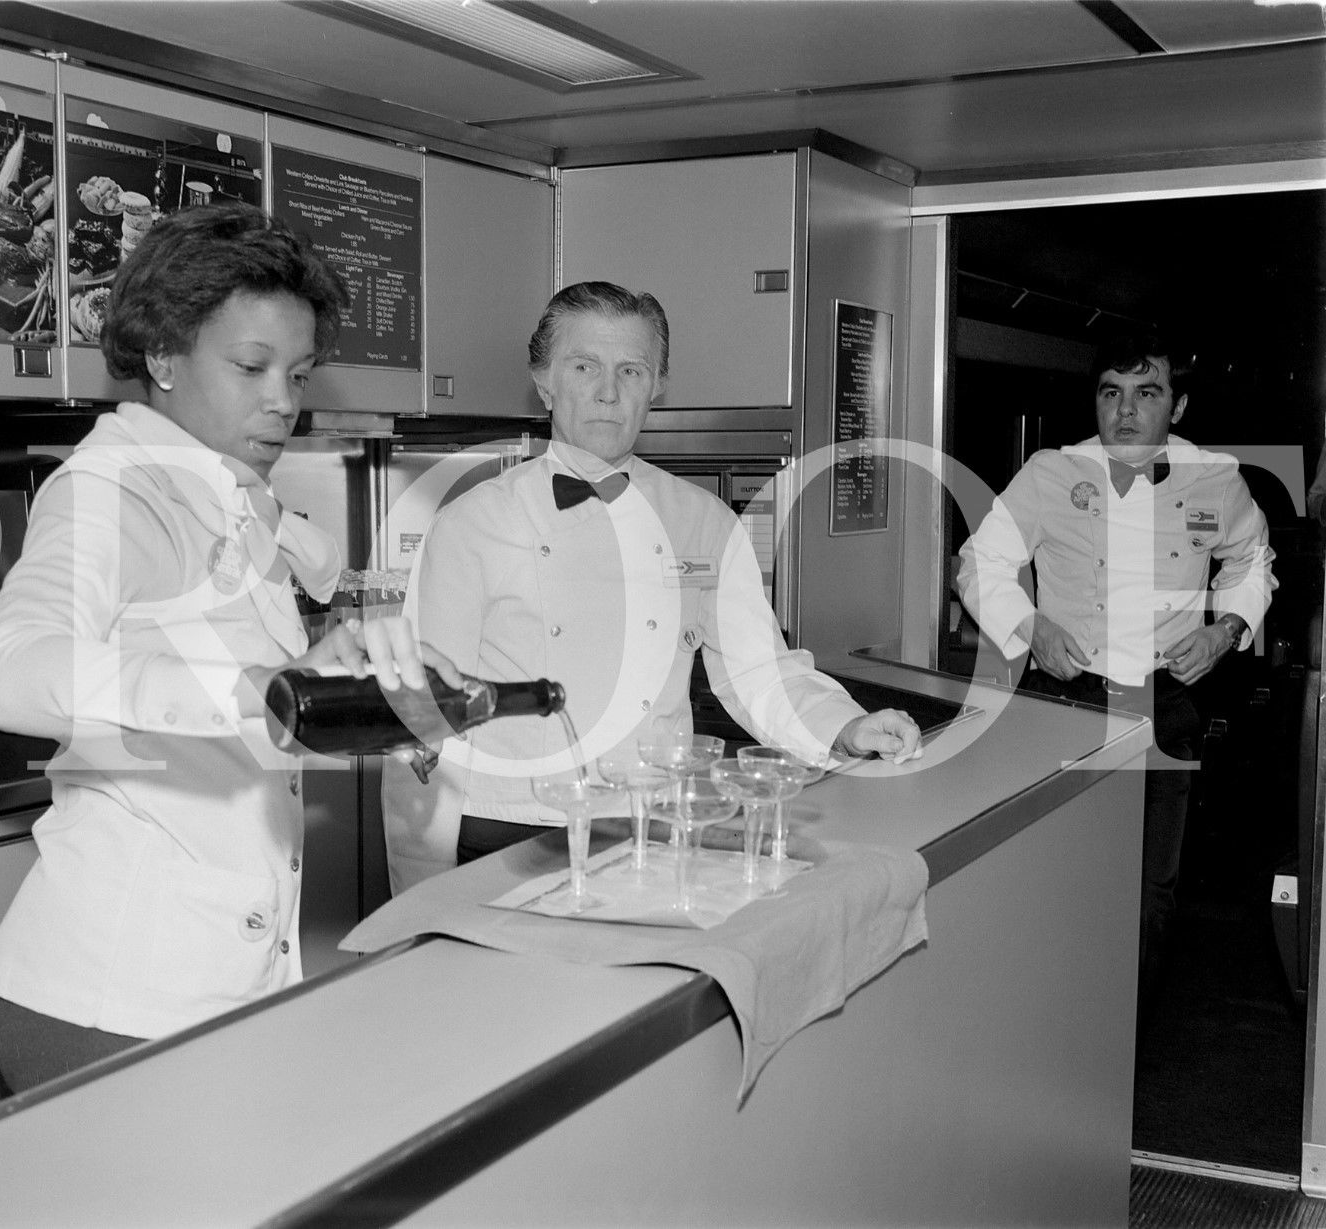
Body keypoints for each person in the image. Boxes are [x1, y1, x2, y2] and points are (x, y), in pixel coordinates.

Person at [0, 203, 457, 1092]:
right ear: (161, 357)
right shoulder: (110, 493)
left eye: (300, 374)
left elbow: (270, 643)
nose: (284, 401)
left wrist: (362, 684)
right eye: (251, 366)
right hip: (112, 1001)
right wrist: (259, 684)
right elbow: (9, 672)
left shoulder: (225, 495)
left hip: (219, 983)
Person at [383, 281, 921, 889]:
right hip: (506, 829)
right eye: (583, 366)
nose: (608, 393)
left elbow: (758, 672)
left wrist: (844, 727)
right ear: (544, 382)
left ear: (658, 385)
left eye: (631, 371)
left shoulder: (703, 521)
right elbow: (420, 708)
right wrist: (416, 885)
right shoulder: (471, 522)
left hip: (649, 822)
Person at [957, 333, 1276, 1006]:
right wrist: (1029, 626)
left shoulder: (1215, 478)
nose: (1126, 412)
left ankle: (1118, 1054)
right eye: (1111, 393)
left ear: (1178, 406)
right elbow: (977, 562)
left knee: (1146, 895)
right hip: (1063, 702)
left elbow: (1254, 560)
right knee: (1052, 880)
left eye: (1147, 393)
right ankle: (1043, 1036)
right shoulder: (1051, 473)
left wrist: (1227, 629)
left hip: (1161, 706)